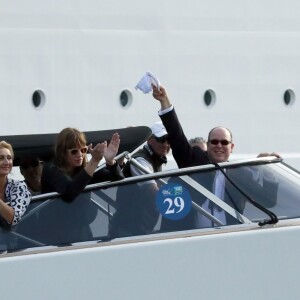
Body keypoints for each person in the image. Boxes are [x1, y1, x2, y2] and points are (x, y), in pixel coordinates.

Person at [151, 85, 280, 231]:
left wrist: (265, 169)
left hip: (230, 237)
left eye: (224, 142)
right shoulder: (195, 161)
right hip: (194, 238)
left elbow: (268, 201)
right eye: (214, 142)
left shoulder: (241, 172)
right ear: (208, 144)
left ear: (231, 147)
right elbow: (177, 137)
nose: (219, 145)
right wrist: (165, 102)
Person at [39, 127, 124, 244]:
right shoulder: (50, 169)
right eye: (74, 151)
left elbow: (116, 179)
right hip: (53, 237)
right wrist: (94, 161)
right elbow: (69, 192)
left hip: (82, 233)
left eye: (83, 150)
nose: (79, 154)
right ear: (62, 152)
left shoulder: (84, 168)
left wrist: (110, 161)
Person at [109, 121, 170, 238]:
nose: (165, 144)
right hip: (128, 229)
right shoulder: (140, 161)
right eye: (161, 139)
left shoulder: (155, 158)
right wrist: (177, 195)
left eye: (168, 140)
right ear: (150, 140)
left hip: (139, 227)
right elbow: (153, 193)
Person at [0, 141, 31, 228]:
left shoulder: (18, 186)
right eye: (1, 158)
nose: (6, 162)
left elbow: (14, 218)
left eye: (9, 158)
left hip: (13, 241)